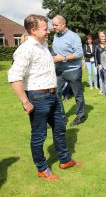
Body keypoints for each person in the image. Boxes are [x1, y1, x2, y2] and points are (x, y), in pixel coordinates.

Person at [8, 14, 83, 181]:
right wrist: (25, 101)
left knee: (60, 128)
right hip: (37, 97)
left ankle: (64, 160)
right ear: (33, 30)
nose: (48, 31)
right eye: (44, 28)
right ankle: (42, 169)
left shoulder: (43, 45)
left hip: (53, 95)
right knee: (39, 135)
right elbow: (14, 77)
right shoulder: (25, 49)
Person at [52, 15, 86, 126]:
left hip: (73, 71)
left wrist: (63, 58)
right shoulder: (55, 36)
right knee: (55, 93)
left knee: (77, 95)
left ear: (63, 24)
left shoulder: (74, 36)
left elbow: (79, 53)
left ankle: (80, 116)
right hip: (59, 71)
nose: (54, 27)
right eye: (53, 25)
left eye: (56, 25)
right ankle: (61, 118)